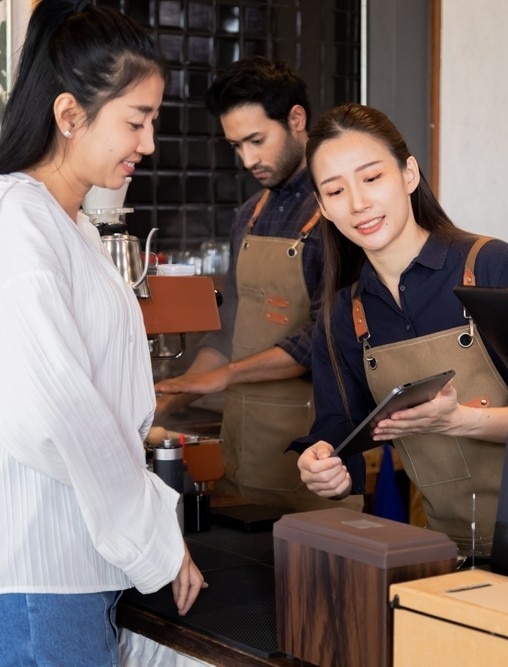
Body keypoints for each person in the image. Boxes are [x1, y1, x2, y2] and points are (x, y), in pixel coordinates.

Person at [0, 2, 204, 663]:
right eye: (136, 120)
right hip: (29, 582)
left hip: (56, 578)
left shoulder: (62, 224)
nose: (149, 144)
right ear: (70, 114)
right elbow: (60, 411)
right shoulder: (13, 219)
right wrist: (153, 538)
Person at [294, 103, 508, 552]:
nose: (358, 203)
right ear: (323, 208)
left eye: (372, 178)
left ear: (408, 175)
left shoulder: (491, 266)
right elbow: (339, 428)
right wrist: (323, 465)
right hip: (448, 547)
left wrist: (463, 420)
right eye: (335, 191)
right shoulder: (343, 314)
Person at [153, 57, 360, 511]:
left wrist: (223, 376)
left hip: (311, 449)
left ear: (297, 120)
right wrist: (169, 397)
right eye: (236, 146)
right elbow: (230, 327)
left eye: (256, 141)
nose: (248, 159)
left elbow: (323, 338)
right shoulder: (249, 214)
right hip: (243, 444)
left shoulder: (338, 213)